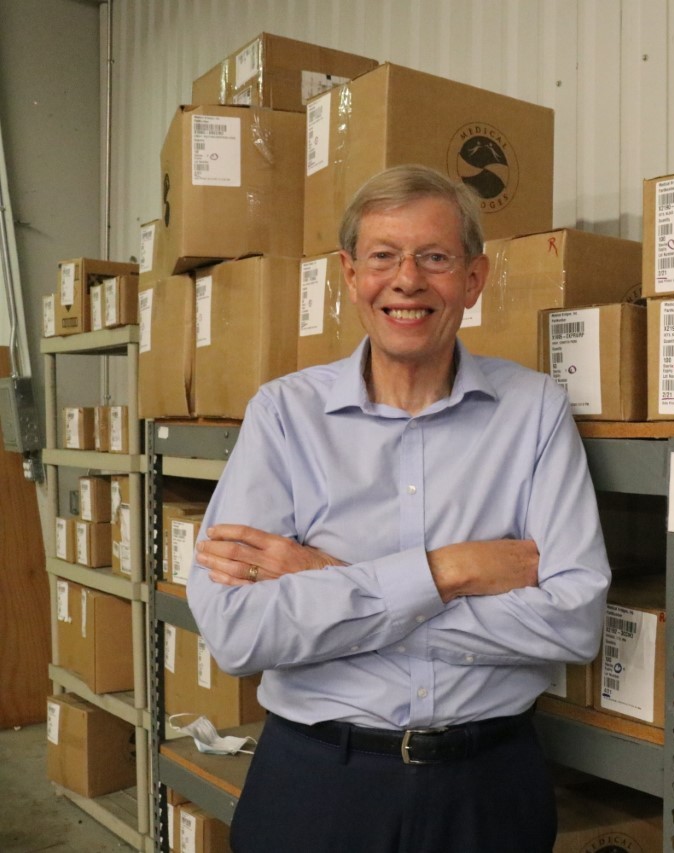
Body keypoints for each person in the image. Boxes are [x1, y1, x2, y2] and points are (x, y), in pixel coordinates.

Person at [185, 164, 611, 852]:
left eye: (435, 258)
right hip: (317, 785)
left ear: (474, 279)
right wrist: (449, 570)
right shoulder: (284, 415)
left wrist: (331, 577)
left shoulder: (534, 412)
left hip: (489, 787)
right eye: (384, 256)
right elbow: (236, 634)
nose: (407, 280)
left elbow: (574, 623)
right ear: (351, 275)